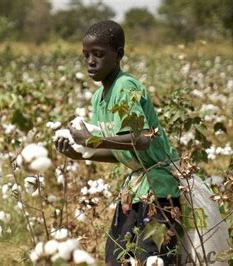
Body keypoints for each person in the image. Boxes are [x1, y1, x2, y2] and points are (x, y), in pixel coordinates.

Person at [54, 20, 181, 265]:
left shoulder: (125, 86)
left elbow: (141, 140)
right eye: (86, 55)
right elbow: (119, 150)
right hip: (136, 189)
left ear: (119, 55)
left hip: (160, 189)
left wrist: (92, 140)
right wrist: (80, 154)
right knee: (117, 257)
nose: (91, 61)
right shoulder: (97, 98)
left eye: (99, 54)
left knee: (152, 258)